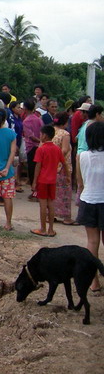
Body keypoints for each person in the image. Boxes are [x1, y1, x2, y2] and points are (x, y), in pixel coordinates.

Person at [76, 122, 104, 292]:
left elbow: (80, 182)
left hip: (88, 199)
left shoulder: (82, 156)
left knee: (92, 242)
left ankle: (94, 282)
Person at [31, 125, 69, 237]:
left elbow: (38, 166)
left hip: (42, 180)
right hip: (53, 180)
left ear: (44, 135)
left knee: (43, 205)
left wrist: (34, 181)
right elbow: (64, 163)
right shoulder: (57, 149)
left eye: (41, 134)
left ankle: (43, 229)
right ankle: (51, 229)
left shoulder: (41, 149)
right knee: (51, 204)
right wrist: (68, 175)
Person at [51, 112, 75, 225]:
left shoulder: (50, 131)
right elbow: (64, 150)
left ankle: (51, 214)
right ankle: (66, 217)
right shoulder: (65, 134)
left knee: (52, 192)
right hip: (62, 166)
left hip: (50, 166)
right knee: (64, 192)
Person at [22, 99, 43, 200]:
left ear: (25, 108)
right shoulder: (38, 119)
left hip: (31, 147)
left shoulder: (26, 121)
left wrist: (38, 141)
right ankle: (38, 190)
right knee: (38, 168)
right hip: (39, 146)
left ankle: (34, 191)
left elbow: (30, 136)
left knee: (32, 169)